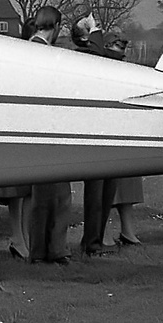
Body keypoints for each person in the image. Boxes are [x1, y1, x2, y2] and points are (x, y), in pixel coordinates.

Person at [23, 6, 72, 265]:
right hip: (47, 132)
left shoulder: (32, 48)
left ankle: (48, 250)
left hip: (44, 131)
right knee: (53, 198)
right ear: (57, 26)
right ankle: (48, 251)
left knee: (51, 198)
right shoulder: (39, 51)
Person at [70, 15, 120, 257]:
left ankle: (96, 240)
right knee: (96, 195)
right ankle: (92, 243)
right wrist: (95, 30)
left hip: (108, 133)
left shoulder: (99, 55)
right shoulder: (83, 56)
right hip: (94, 136)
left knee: (107, 193)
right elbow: (99, 58)